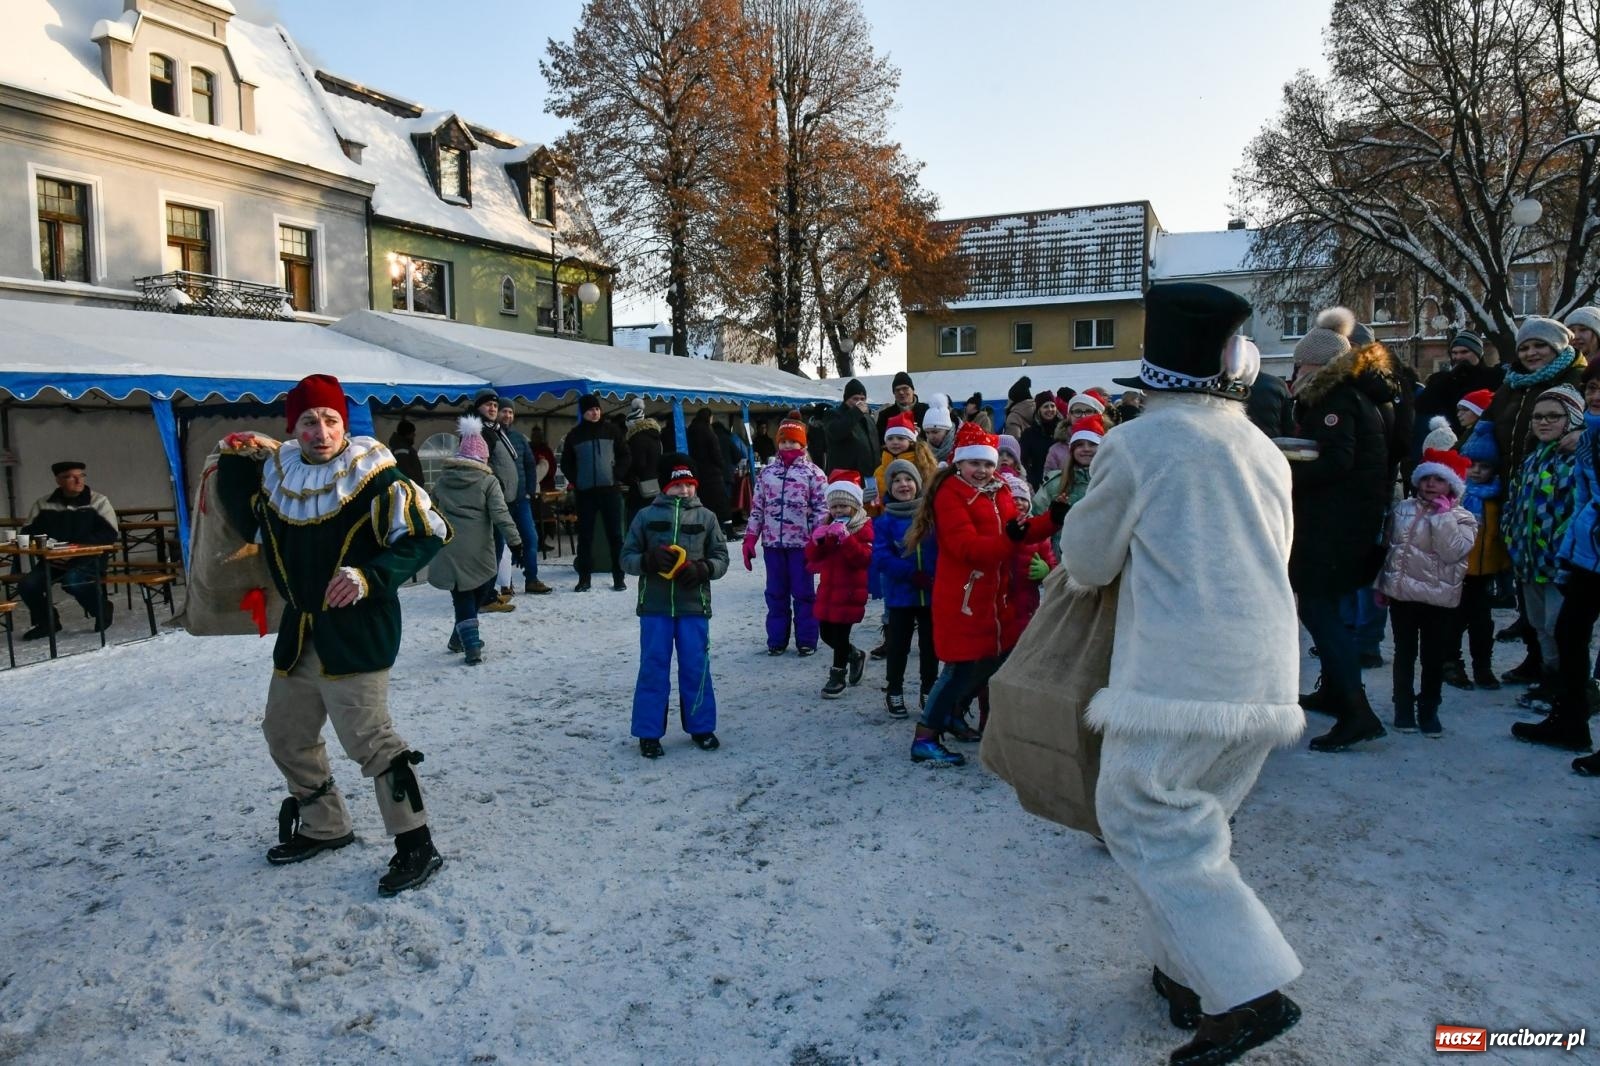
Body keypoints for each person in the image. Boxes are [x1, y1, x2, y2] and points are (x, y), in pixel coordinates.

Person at [1059, 283, 1304, 1064]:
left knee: (1144, 822)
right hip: (1264, 667)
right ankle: (1186, 974)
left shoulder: (1138, 444)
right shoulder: (1262, 447)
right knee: (1198, 829)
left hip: (1177, 672)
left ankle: (1251, 993)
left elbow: (1087, 562)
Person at [214, 374, 447, 897]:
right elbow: (246, 516)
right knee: (286, 732)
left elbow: (429, 534)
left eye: (331, 420)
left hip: (359, 630)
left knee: (371, 740)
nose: (321, 431)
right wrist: (232, 457)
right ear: (292, 429)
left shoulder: (377, 477)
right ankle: (325, 825)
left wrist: (370, 575)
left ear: (345, 423)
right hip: (301, 630)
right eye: (309, 421)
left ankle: (417, 844)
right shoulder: (281, 478)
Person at [902, 420, 1062, 766]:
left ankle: (951, 716)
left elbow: (1019, 529)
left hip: (992, 599)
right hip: (964, 599)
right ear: (959, 461)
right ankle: (926, 736)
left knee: (989, 662)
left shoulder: (1000, 489)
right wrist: (1011, 540)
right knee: (959, 668)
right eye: (975, 463)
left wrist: (1053, 519)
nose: (983, 470)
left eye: (988, 463)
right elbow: (967, 548)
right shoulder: (950, 494)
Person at [1287, 307, 1393, 752]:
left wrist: (1283, 472)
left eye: (1300, 365)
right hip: (1345, 521)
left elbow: (1336, 460)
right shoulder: (1353, 393)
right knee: (1323, 610)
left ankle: (1356, 711)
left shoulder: (1335, 399)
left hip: (1334, 525)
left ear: (1318, 365)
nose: (1296, 373)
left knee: (1320, 611)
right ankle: (1336, 691)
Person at [620, 454, 729, 759]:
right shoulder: (644, 516)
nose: (684, 491)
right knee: (653, 668)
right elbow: (626, 557)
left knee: (697, 667)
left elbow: (722, 557)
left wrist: (704, 569)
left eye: (689, 485)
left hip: (694, 606)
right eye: (678, 485)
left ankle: (701, 727)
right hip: (655, 608)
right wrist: (646, 560)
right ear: (665, 486)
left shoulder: (707, 517)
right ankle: (649, 733)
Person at [1375, 449, 1478, 736]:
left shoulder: (1463, 518)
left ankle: (1429, 707)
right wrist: (1382, 584)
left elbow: (1452, 552)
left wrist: (1442, 517)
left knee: (1433, 656)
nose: (1431, 485)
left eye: (1439, 480)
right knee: (1404, 653)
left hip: (1439, 600)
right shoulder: (1402, 510)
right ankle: (1403, 706)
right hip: (1403, 596)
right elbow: (1391, 550)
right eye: (1427, 478)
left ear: (1452, 485)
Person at [1529, 362, 1600, 766]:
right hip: (1587, 554)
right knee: (1570, 633)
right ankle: (1571, 722)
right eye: (1592, 387)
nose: (1596, 395)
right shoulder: (1588, 439)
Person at [1502, 384, 1583, 707]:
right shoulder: (1533, 458)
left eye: (1553, 416)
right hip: (1528, 559)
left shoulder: (1579, 460)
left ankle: (1570, 684)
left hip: (1561, 562)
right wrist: (1511, 534)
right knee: (1538, 624)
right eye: (1538, 416)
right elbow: (1515, 501)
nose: (1543, 422)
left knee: (1558, 624)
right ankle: (1550, 677)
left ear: (1572, 418)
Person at [428, 416, 522, 663]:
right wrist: (516, 542)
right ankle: (472, 647)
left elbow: (430, 513)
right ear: (482, 458)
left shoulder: (442, 481)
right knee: (477, 590)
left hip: (448, 548)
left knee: (461, 595)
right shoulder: (488, 481)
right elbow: (501, 514)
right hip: (479, 550)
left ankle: (461, 637)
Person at [743, 413, 828, 656]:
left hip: (801, 545)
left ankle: (807, 639)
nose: (788, 446)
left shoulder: (814, 474)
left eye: (793, 441)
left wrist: (818, 539)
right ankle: (777, 640)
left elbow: (821, 509)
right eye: (784, 441)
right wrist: (750, 538)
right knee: (776, 593)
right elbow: (757, 508)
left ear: (803, 444)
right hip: (773, 544)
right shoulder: (767, 474)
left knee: (803, 593)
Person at [15, 460, 119, 639]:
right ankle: (47, 622)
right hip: (53, 559)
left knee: (73, 580)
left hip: (89, 558)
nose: (79, 481)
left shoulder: (98, 501)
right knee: (27, 585)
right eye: (71, 477)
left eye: (81, 476)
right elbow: (28, 532)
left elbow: (109, 533)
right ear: (58, 480)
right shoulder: (43, 504)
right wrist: (51, 548)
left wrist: (72, 549)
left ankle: (101, 609)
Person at [872, 458, 937, 718]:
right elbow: (881, 558)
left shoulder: (930, 515)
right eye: (897, 481)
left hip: (931, 594)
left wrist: (936, 575)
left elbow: (943, 549)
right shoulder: (884, 521)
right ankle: (894, 690)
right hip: (900, 595)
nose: (903, 484)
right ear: (889, 487)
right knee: (898, 646)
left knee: (930, 646)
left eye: (908, 479)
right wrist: (910, 574)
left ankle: (929, 689)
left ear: (918, 483)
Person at [1449, 421, 1510, 691]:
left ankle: (1482, 667)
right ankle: (1450, 662)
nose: (1476, 471)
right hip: (1457, 569)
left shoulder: (1496, 498)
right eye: (1472, 464)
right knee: (1453, 620)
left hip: (1485, 573)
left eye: (1484, 466)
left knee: (1482, 623)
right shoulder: (1455, 496)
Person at [806, 469, 873, 699]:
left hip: (851, 591)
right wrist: (818, 541)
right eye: (834, 507)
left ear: (854, 506)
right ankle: (854, 655)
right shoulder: (827, 524)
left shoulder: (863, 527)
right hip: (828, 589)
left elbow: (863, 559)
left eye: (843, 506)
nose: (838, 511)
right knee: (826, 633)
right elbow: (813, 557)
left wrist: (846, 539)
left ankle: (837, 675)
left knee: (841, 635)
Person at [559, 393, 631, 592]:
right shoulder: (575, 435)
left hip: (610, 492)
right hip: (586, 494)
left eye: (597, 408)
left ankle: (619, 577)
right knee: (585, 537)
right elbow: (566, 462)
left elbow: (625, 455)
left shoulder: (612, 430)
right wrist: (577, 479)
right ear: (584, 412)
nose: (595, 412)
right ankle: (584, 578)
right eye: (591, 409)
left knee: (615, 536)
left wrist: (616, 474)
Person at [497, 405, 552, 595]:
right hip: (500, 502)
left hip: (521, 499)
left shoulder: (519, 438)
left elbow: (530, 464)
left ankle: (532, 579)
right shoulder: (490, 437)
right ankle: (506, 583)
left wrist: (529, 490)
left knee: (530, 538)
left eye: (510, 412)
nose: (507, 415)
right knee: (502, 543)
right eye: (504, 411)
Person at [1033, 415, 1102, 558]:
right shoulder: (1055, 483)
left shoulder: (1112, 481)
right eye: (1080, 445)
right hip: (1062, 562)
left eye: (1092, 444)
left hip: (1103, 560)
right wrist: (1047, 560)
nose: (1086, 449)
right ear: (1072, 450)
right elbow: (1036, 519)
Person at [1414, 331, 1505, 436]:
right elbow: (1422, 406)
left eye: (1464, 352)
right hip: (1452, 441)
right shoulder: (1444, 380)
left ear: (1478, 353)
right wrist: (1447, 379)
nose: (1458, 357)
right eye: (1454, 353)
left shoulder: (1494, 377)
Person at [824, 381, 880, 505]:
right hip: (846, 478)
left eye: (862, 399)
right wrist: (856, 412)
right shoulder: (833, 415)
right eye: (855, 399)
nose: (859, 402)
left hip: (869, 478)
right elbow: (836, 432)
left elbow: (875, 445)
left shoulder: (867, 418)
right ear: (846, 399)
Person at [871, 411, 938, 506]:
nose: (895, 442)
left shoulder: (923, 465)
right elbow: (875, 507)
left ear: (911, 441)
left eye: (900, 438)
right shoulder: (879, 471)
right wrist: (868, 503)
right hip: (887, 518)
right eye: (890, 439)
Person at [687, 409, 731, 530]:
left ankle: (707, 528)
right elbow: (716, 453)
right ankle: (727, 529)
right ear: (709, 417)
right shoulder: (708, 432)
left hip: (698, 472)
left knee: (705, 503)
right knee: (721, 503)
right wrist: (722, 465)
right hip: (713, 473)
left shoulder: (691, 430)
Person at [623, 397, 665, 525]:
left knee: (636, 522)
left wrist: (627, 476)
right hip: (655, 484)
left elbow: (638, 464)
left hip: (639, 489)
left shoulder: (636, 439)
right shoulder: (655, 437)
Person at [1019, 391, 1063, 488]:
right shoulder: (1029, 434)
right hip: (1040, 483)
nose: (1050, 409)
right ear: (1039, 410)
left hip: (1063, 481)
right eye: (1045, 406)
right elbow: (1022, 459)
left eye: (1052, 406)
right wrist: (1032, 479)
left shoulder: (1063, 432)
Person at [874, 371, 929, 441]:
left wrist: (921, 433)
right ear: (894, 393)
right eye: (897, 390)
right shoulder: (885, 415)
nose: (901, 392)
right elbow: (880, 441)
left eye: (905, 388)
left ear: (913, 390)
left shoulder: (926, 410)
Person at [1245, 372, 1295, 439]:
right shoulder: (1278, 383)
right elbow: (1288, 423)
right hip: (1272, 441)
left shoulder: (1235, 385)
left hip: (1244, 439)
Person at [387, 420, 425, 484]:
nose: (414, 435)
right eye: (412, 433)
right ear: (407, 434)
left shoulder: (402, 447)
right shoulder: (402, 449)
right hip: (409, 488)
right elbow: (404, 470)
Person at [922, 395, 956, 465]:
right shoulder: (923, 452)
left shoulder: (959, 449)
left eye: (935, 432)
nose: (930, 436)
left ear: (947, 431)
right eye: (927, 432)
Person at [525, 425, 557, 494]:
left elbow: (553, 467)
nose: (537, 438)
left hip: (547, 486)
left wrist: (545, 473)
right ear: (532, 437)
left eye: (539, 435)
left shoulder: (547, 450)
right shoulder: (527, 450)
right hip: (531, 486)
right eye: (535, 435)